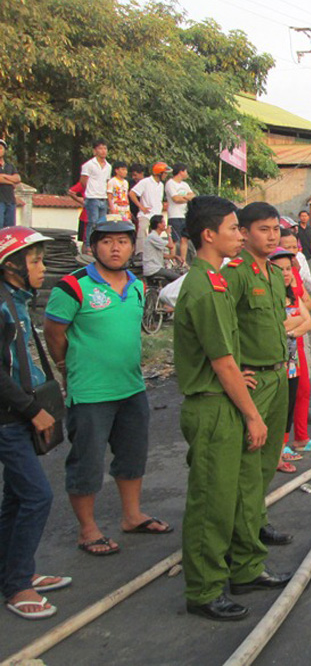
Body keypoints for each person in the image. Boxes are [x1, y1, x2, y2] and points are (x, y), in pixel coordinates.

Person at [173, 196, 289, 621]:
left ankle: (241, 568)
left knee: (229, 494)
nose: (239, 235)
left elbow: (228, 354)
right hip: (210, 404)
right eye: (233, 228)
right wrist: (253, 414)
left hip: (225, 398)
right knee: (211, 502)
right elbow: (222, 361)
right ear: (209, 235)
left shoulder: (216, 280)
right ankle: (203, 590)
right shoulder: (206, 285)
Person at [43, 221, 170, 558]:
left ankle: (132, 516)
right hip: (90, 391)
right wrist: (64, 367)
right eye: (108, 242)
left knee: (132, 454)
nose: (116, 249)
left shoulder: (137, 286)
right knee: (86, 461)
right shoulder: (73, 286)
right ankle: (88, 529)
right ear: (93, 247)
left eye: (123, 242)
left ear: (133, 247)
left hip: (131, 386)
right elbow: (54, 332)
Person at [0, 227, 67, 620]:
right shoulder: (3, 306)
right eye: (36, 260)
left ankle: (11, 572)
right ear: (11, 267)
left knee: (16, 496)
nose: (43, 268)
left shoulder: (18, 302)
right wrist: (32, 409)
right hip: (8, 418)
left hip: (18, 415)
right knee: (37, 496)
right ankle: (19, 584)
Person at [220, 203, 290, 548]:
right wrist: (234, 368)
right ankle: (243, 536)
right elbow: (222, 328)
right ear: (244, 233)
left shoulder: (275, 274)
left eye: (276, 229)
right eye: (264, 229)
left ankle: (256, 519)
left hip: (278, 375)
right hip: (253, 379)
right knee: (248, 464)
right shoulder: (234, 273)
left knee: (267, 460)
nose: (272, 235)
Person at [267, 247, 311, 475]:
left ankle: (282, 447)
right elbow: (271, 327)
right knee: (273, 408)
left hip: (292, 359)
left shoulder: (292, 294)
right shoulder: (267, 296)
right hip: (273, 360)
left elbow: (308, 322)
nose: (285, 273)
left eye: (288, 268)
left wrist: (289, 330)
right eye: (280, 269)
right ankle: (274, 452)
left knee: (288, 406)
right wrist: (293, 324)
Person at [79, 140, 111, 243]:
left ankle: (99, 244)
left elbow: (107, 181)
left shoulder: (108, 166)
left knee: (102, 224)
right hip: (92, 198)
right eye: (100, 148)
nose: (103, 151)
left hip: (103, 197)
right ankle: (89, 244)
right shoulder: (89, 165)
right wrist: (90, 190)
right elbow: (83, 181)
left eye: (105, 148)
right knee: (93, 222)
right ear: (95, 150)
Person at [129, 162, 169, 244]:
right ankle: (140, 253)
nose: (166, 175)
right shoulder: (145, 181)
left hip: (157, 214)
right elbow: (132, 193)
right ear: (159, 173)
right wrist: (141, 207)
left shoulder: (161, 185)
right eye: (165, 173)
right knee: (142, 232)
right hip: (145, 214)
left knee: (155, 236)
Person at [164, 164, 195, 263]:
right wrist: (187, 198)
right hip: (174, 215)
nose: (186, 173)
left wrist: (184, 198)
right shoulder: (170, 183)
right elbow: (175, 199)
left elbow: (193, 196)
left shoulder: (185, 185)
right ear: (181, 171)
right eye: (185, 171)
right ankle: (172, 261)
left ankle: (183, 261)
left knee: (184, 239)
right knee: (174, 240)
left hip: (184, 215)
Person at [142, 215, 183, 286]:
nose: (165, 224)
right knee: (179, 279)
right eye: (163, 222)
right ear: (158, 224)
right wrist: (169, 234)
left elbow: (163, 255)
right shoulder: (153, 236)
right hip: (154, 269)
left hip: (153, 269)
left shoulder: (154, 237)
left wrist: (175, 257)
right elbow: (171, 246)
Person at [0, 140, 22, 229]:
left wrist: (4, 176)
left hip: (10, 201)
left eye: (0, 148)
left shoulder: (10, 166)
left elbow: (18, 179)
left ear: (4, 150)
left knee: (10, 229)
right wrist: (11, 182)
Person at [126, 163, 145, 234]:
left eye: (135, 175)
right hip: (132, 211)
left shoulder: (147, 183)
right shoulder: (129, 183)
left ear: (141, 173)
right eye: (132, 175)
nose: (134, 177)